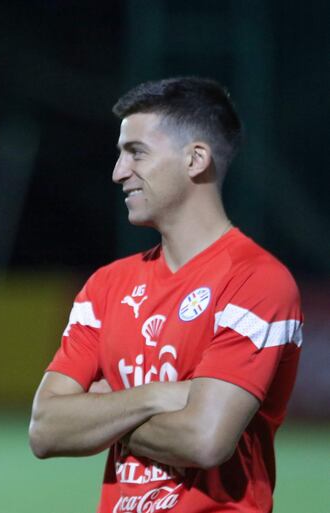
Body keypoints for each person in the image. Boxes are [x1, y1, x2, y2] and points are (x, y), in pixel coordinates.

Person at [29, 77, 302, 512]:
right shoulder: (106, 285)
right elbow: (44, 430)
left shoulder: (257, 280)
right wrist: (155, 395)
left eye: (136, 152)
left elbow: (204, 439)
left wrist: (103, 409)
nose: (118, 172)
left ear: (196, 159)